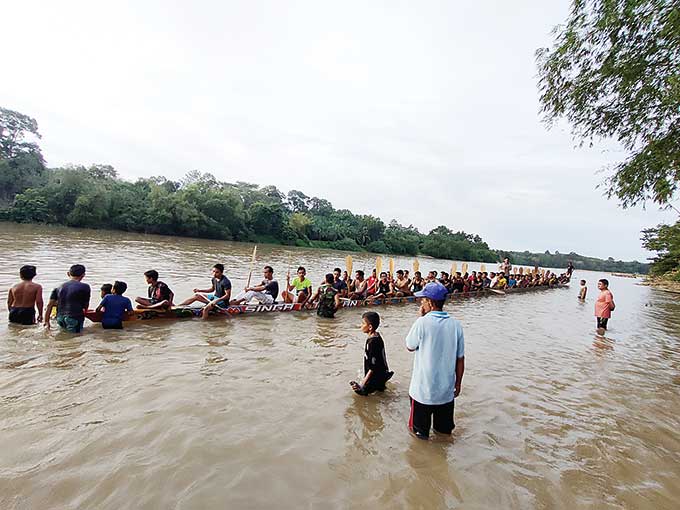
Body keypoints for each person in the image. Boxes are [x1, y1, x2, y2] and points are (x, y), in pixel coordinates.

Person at [406, 282, 465, 439]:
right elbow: (460, 359)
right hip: (445, 392)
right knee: (444, 434)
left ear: (430, 303)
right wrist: (458, 384)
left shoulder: (422, 322)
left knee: (419, 436)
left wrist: (420, 318)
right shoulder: (456, 325)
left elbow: (410, 346)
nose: (421, 303)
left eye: (423, 300)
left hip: (422, 392)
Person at [350, 311, 394, 395]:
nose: (361, 325)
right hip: (381, 372)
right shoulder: (376, 336)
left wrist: (362, 385)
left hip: (376, 376)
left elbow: (372, 367)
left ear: (370, 327)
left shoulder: (372, 342)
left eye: (363, 323)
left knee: (366, 395)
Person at [49, 264, 91, 333]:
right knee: (75, 337)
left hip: (60, 317)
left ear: (68, 274)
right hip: (74, 317)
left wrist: (46, 321)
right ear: (83, 275)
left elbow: (49, 305)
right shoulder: (85, 287)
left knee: (62, 334)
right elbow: (86, 304)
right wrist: (85, 311)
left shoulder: (58, 287)